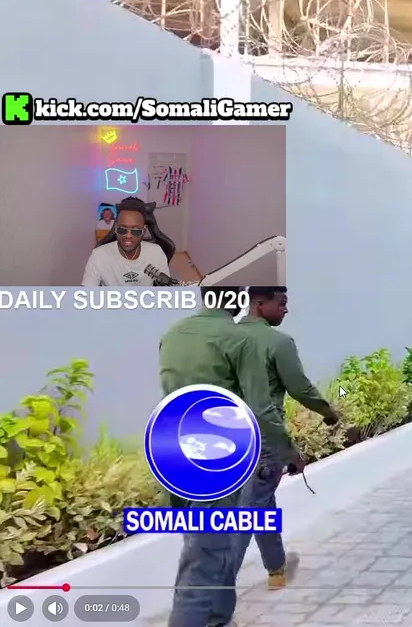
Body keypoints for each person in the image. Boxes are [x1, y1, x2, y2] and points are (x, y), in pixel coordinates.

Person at [159, 286, 301, 627]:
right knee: (204, 559)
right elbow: (261, 409)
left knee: (210, 545)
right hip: (219, 455)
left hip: (175, 450)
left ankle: (219, 619)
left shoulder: (173, 335)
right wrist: (289, 452)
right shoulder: (240, 339)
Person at [239, 286, 341, 590]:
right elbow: (299, 387)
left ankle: (276, 568)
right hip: (263, 438)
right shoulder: (278, 342)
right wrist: (328, 412)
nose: (286, 309)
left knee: (257, 502)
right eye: (281, 303)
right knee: (254, 508)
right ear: (260, 303)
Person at [83, 197, 170, 286]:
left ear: (144, 231)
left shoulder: (156, 252)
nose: (128, 236)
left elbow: (166, 290)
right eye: (122, 229)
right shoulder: (98, 256)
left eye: (136, 231)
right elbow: (87, 293)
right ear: (115, 228)